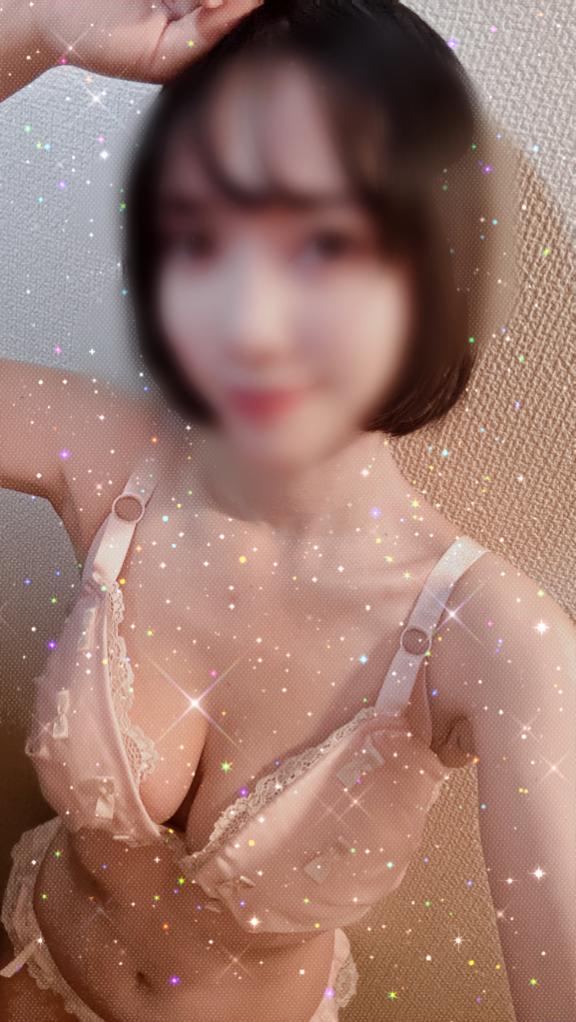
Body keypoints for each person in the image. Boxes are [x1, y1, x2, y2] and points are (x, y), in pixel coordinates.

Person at [0, 1, 575, 1020]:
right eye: (202, 236)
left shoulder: (495, 640)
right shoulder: (113, 453)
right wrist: (40, 25)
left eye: (324, 243)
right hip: (29, 967)